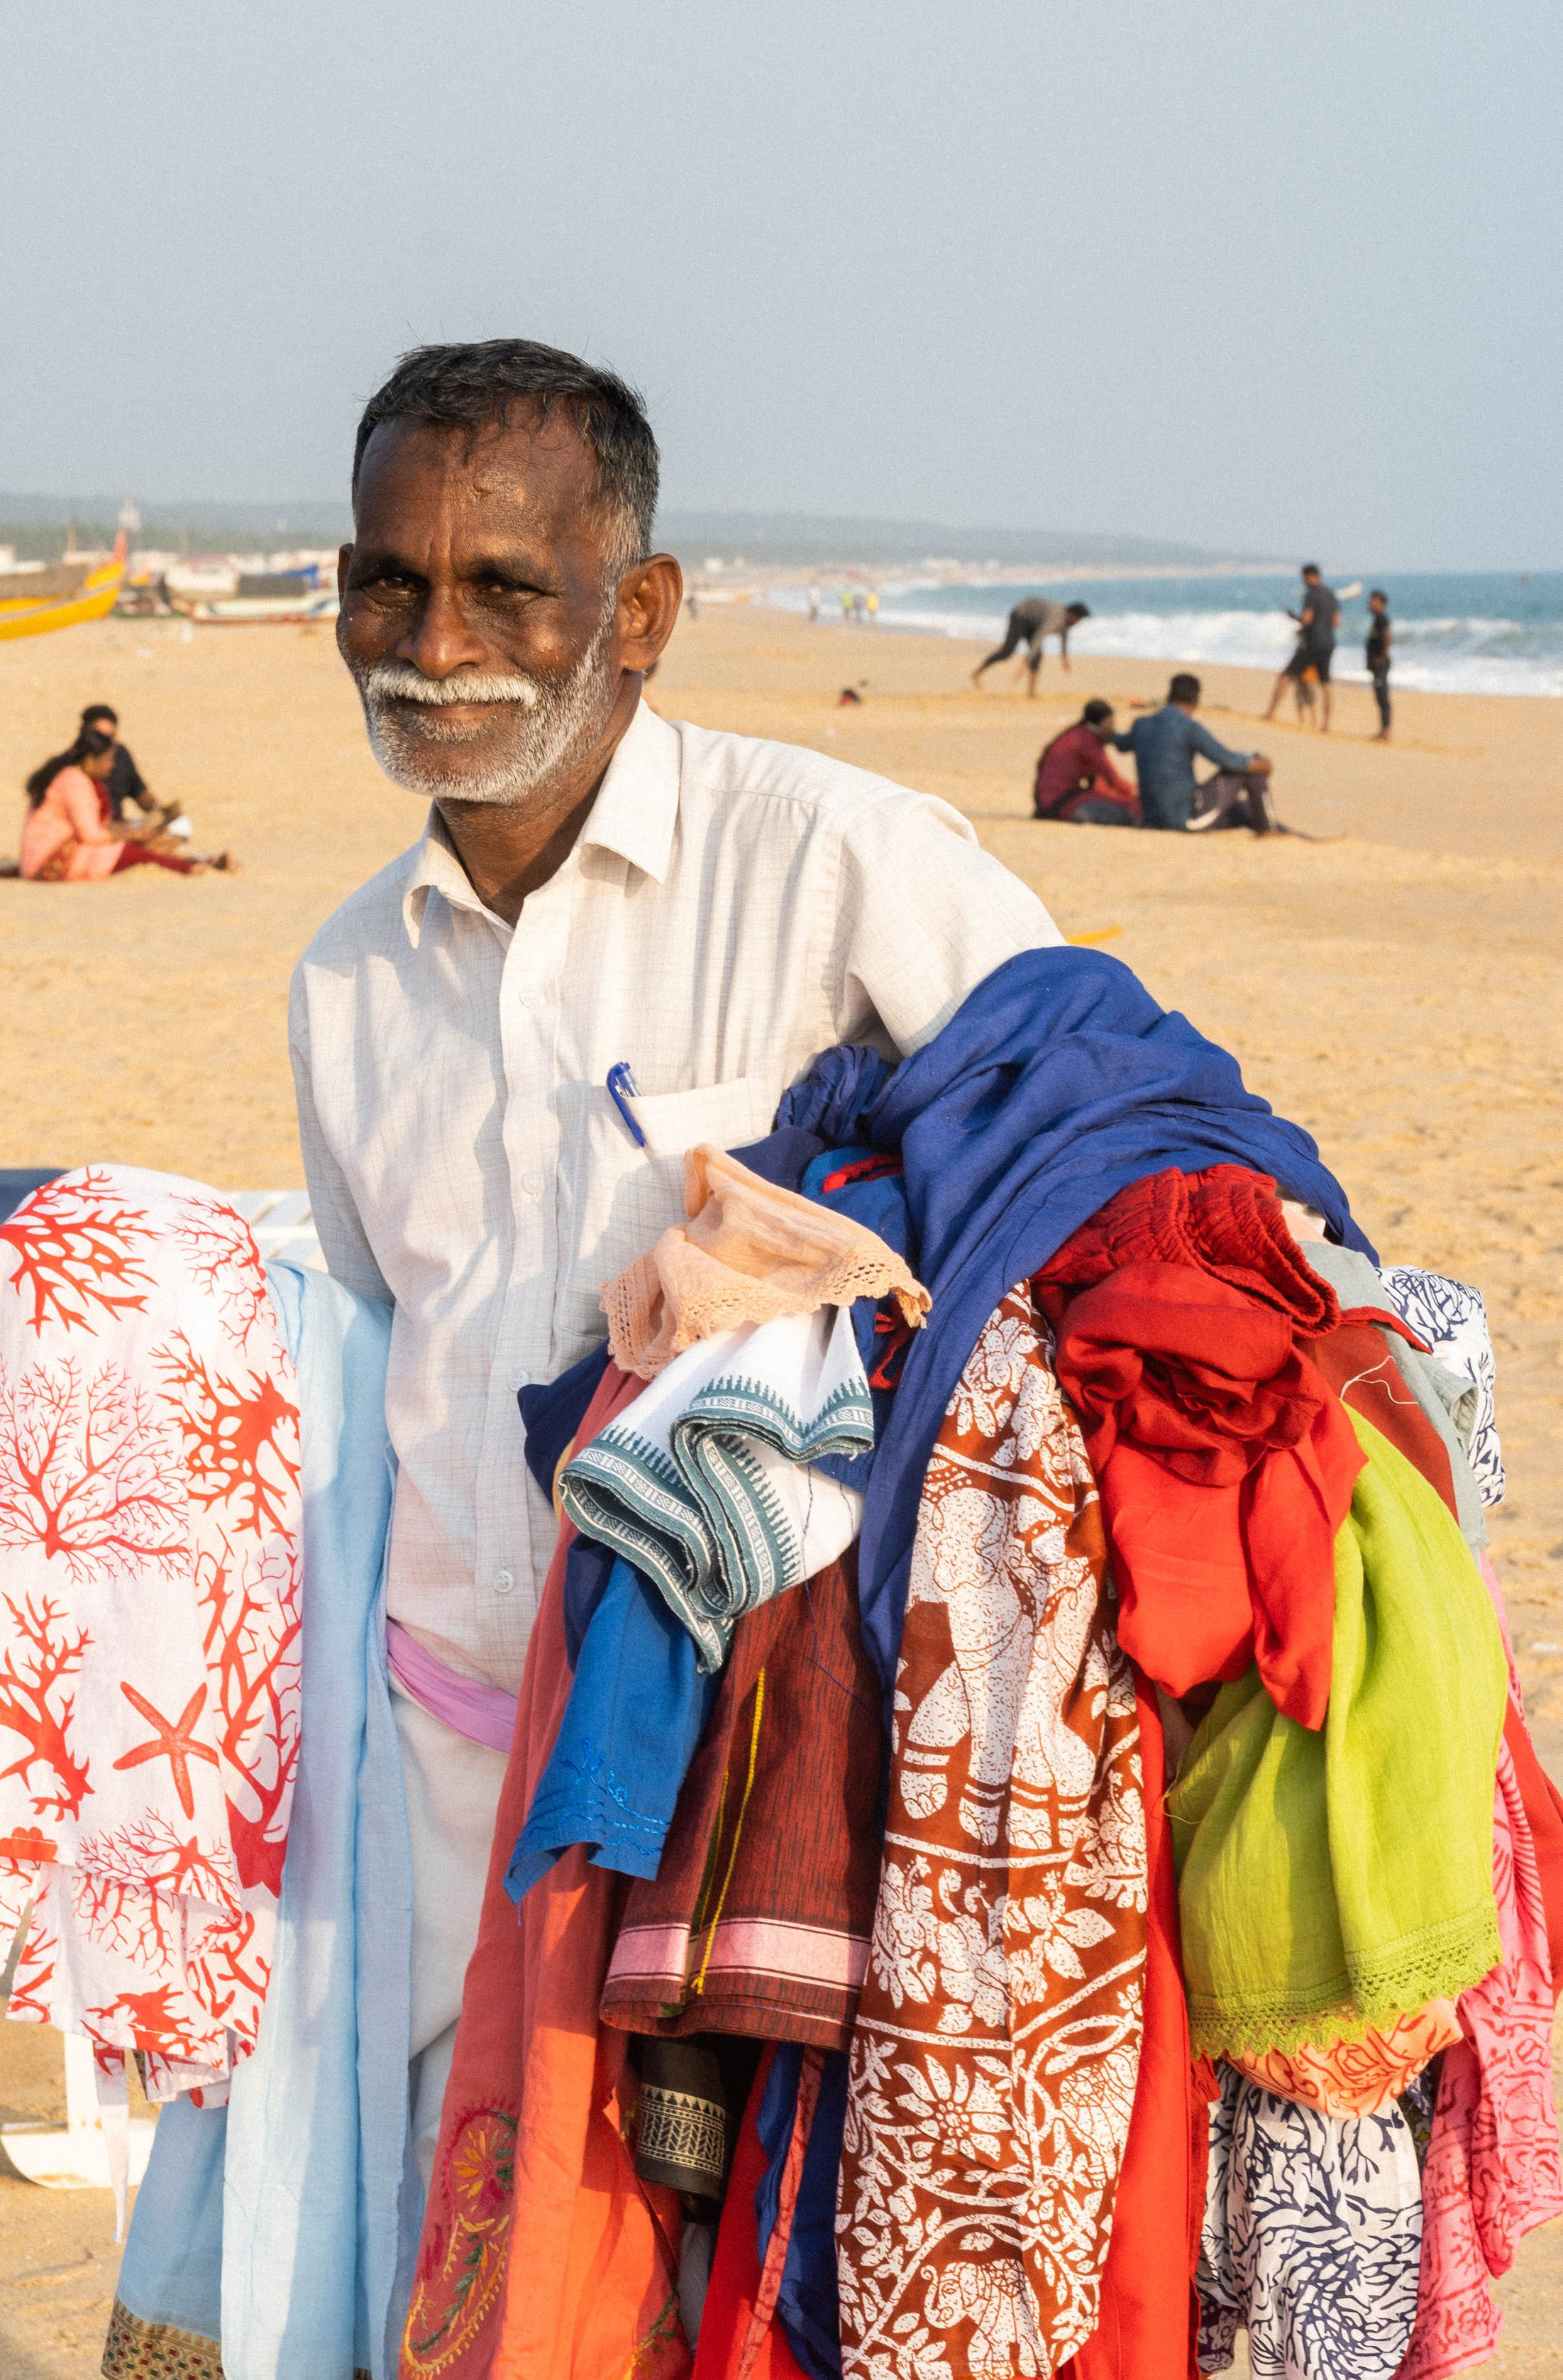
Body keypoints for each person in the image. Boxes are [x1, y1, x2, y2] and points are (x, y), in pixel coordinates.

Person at [288, 337, 1061, 2193]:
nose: (435, 637)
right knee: (477, 2311)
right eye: (391, 579)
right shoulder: (345, 978)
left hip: (762, 1790)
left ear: (636, 612)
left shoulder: (842, 866)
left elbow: (1092, 1168)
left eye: (501, 589)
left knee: (730, 2349)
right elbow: (382, 1334)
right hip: (446, 1755)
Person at [13, 725, 232, 879]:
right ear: (90, 760)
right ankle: (190, 868)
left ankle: (201, 861)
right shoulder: (73, 782)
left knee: (147, 844)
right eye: (108, 760)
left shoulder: (82, 779)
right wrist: (133, 835)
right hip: (49, 862)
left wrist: (140, 831)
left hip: (57, 853)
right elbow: (92, 835)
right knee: (129, 852)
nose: (111, 766)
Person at [1130, 672, 1278, 832]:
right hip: (1185, 819)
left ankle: (1293, 835)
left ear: (1168, 696)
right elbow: (1227, 760)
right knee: (1253, 760)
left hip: (1152, 818)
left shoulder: (1141, 725)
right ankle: (1269, 830)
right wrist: (1264, 765)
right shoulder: (1188, 727)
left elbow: (1119, 742)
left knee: (1242, 809)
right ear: (1196, 702)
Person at [1033, 696, 1140, 824]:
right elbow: (1114, 780)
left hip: (1048, 801)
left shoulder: (1077, 734)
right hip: (1060, 802)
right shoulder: (1087, 742)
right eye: (1110, 724)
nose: (1113, 730)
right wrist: (1140, 791)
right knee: (1128, 807)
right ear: (1100, 724)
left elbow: (1099, 782)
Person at [1264, 563, 1340, 730]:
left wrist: (1295, 618)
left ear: (1310, 576)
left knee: (1286, 675)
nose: (1304, 582)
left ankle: (1270, 713)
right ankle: (1326, 725)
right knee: (1326, 684)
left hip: (1312, 643)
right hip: (1329, 643)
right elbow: (1336, 622)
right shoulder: (1331, 595)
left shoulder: (1311, 595)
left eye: (1304, 579)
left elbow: (1307, 619)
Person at [971, 595, 1090, 694]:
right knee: (1007, 652)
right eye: (1079, 619)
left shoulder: (1067, 621)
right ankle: (977, 673)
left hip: (1034, 622)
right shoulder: (1056, 619)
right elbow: (1039, 638)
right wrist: (1025, 662)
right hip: (1021, 615)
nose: (1079, 622)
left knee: (1038, 655)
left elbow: (1064, 636)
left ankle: (1031, 691)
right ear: (1073, 615)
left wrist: (1064, 659)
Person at [78, 703, 163, 824]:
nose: (107, 744)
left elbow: (139, 791)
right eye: (101, 737)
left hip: (117, 825)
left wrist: (161, 811)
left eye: (110, 737)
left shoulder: (121, 755)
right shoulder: (74, 770)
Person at [1366, 588, 1393, 741]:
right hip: (1377, 664)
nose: (1370, 603)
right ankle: (1383, 731)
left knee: (1383, 697)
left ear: (1381, 603)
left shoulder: (1382, 618)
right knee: (1379, 697)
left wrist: (1382, 656)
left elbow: (1388, 637)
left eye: (1373, 600)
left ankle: (1386, 732)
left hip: (1381, 664)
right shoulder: (1377, 618)